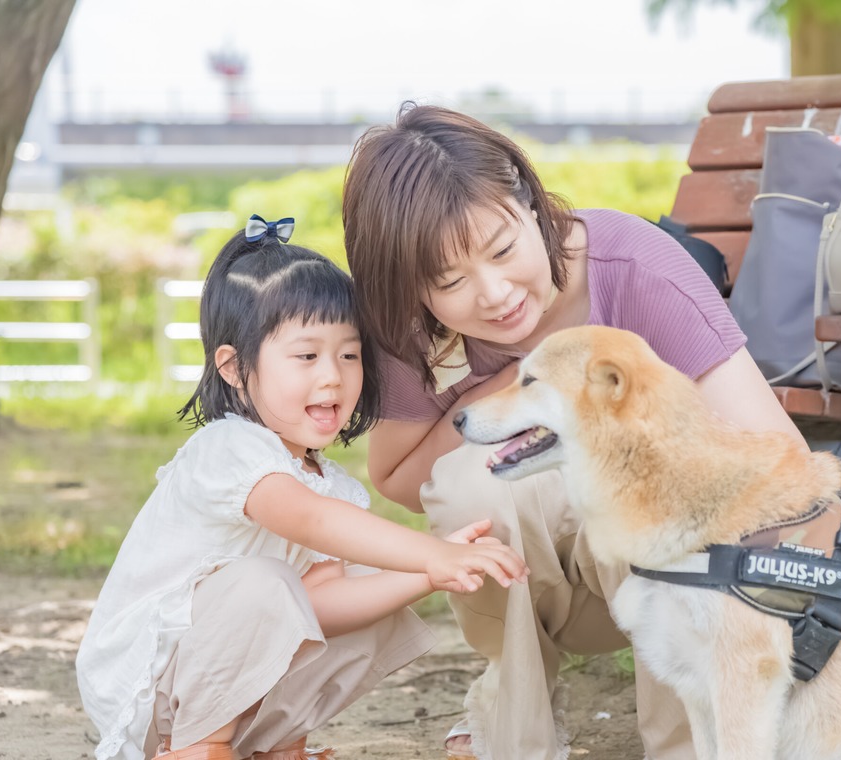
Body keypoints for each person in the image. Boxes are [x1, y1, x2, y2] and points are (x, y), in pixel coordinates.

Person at [342, 106, 806, 760]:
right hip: (531, 584)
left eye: (503, 249)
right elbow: (397, 476)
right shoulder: (415, 328)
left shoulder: (634, 267)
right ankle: (516, 727)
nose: (496, 293)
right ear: (415, 287)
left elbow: (779, 459)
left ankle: (692, 738)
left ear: (531, 204)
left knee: (647, 475)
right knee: (472, 488)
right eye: (449, 282)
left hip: (666, 567)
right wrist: (510, 390)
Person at [76, 216, 529, 760]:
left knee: (364, 599)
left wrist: (427, 573)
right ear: (235, 369)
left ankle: (267, 743)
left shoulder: (331, 485)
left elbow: (321, 604)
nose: (333, 376)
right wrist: (432, 549)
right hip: (152, 689)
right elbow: (311, 521)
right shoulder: (229, 449)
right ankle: (197, 747)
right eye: (306, 356)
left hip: (224, 684)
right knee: (264, 584)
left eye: (349, 354)